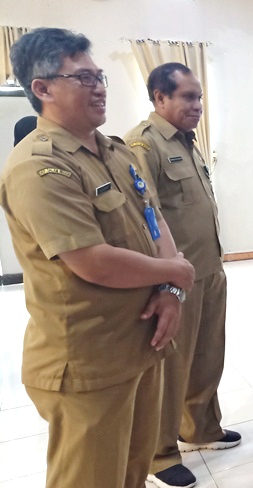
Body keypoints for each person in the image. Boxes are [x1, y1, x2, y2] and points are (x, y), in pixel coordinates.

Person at [0, 28, 196, 488]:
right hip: (89, 361)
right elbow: (92, 260)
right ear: (43, 89)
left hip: (139, 345)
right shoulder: (39, 166)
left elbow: (154, 219)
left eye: (99, 76)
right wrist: (177, 271)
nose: (99, 87)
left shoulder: (114, 151)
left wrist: (170, 289)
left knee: (131, 475)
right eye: (83, 78)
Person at [125, 62, 239, 488]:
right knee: (171, 368)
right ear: (160, 98)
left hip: (207, 269)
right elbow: (146, 217)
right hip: (176, 280)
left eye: (199, 97)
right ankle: (159, 453)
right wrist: (165, 282)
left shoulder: (187, 141)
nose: (198, 105)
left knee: (208, 356)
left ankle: (202, 427)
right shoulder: (144, 144)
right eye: (188, 97)